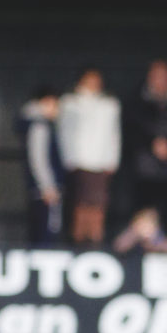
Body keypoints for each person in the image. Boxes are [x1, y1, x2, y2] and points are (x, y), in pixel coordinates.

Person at [124, 59, 167, 241]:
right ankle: (141, 248)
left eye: (164, 76)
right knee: (142, 215)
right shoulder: (137, 100)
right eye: (156, 76)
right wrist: (152, 144)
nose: (160, 80)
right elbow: (131, 130)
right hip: (144, 169)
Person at [57, 67, 120, 247]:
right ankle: (78, 241)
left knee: (98, 204)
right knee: (80, 203)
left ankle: (95, 241)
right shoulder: (69, 103)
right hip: (79, 161)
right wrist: (68, 157)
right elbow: (64, 132)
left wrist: (112, 159)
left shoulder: (109, 104)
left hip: (100, 162)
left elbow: (114, 134)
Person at [17, 86, 66, 245]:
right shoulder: (39, 125)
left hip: (40, 190)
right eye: (55, 105)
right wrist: (47, 187)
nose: (57, 110)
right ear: (46, 102)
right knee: (45, 236)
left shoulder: (36, 124)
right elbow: (38, 158)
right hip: (44, 192)